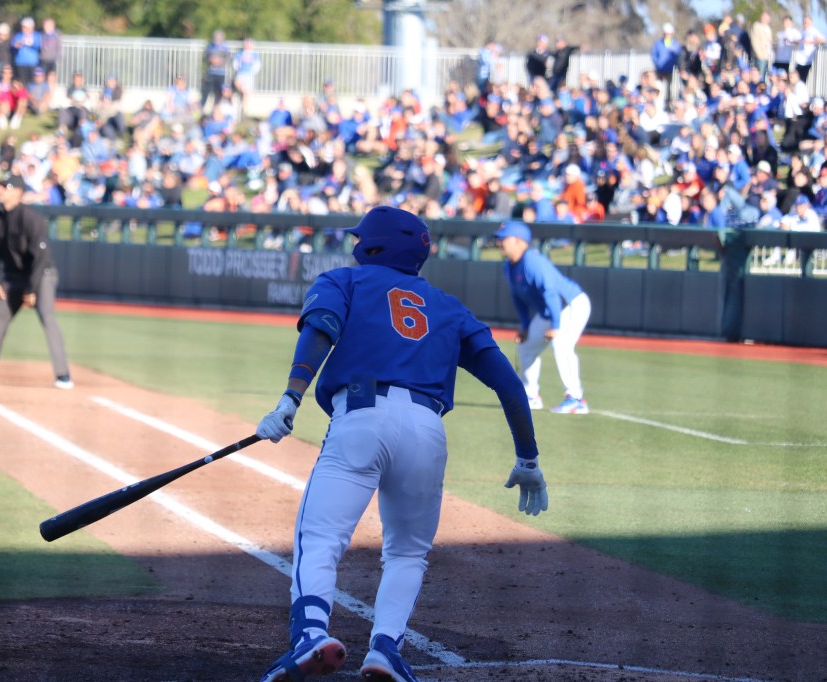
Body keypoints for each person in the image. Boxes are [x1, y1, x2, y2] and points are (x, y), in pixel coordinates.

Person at [255, 206, 547, 682]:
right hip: (426, 431)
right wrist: (528, 457)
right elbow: (509, 385)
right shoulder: (450, 306)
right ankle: (385, 648)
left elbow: (320, 329)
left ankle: (311, 635)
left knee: (321, 539)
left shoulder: (344, 281)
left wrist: (291, 397)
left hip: (361, 418)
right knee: (408, 552)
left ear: (370, 246)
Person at [0, 174, 73, 390]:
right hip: (12, 278)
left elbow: (42, 258)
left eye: (6, 187)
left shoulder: (31, 219)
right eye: (0, 186)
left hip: (42, 275)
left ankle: (63, 374)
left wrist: (31, 290)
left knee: (47, 317)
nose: (1, 190)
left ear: (18, 192)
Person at [496, 220, 590, 413]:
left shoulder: (532, 261)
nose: (499, 243)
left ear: (519, 241)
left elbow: (551, 293)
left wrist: (556, 326)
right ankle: (531, 396)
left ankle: (576, 398)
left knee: (561, 344)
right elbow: (518, 297)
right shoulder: (509, 265)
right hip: (549, 310)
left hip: (570, 304)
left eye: (503, 239)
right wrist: (524, 326)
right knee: (525, 346)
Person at [651, 23, 681, 107]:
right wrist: (658, 64)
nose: (668, 35)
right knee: (659, 87)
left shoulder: (675, 44)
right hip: (660, 70)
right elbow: (654, 55)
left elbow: (678, 56)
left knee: (670, 87)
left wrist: (677, 66)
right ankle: (658, 103)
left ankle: (668, 104)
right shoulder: (658, 43)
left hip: (671, 70)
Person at [200, 29, 229, 115]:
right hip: (211, 73)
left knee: (219, 93)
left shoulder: (225, 47)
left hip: (221, 73)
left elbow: (228, 58)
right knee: (206, 91)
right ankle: (201, 110)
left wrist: (220, 61)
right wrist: (211, 60)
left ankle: (215, 110)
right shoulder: (210, 46)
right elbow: (205, 57)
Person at [232, 36, 261, 119]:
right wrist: (238, 69)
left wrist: (252, 71)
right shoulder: (240, 53)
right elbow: (235, 63)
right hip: (241, 73)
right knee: (239, 86)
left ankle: (244, 110)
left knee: (246, 93)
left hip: (249, 75)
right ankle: (242, 96)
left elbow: (257, 65)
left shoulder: (254, 54)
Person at [793, 15, 825, 84]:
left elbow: (822, 40)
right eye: (804, 22)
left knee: (802, 79)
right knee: (795, 78)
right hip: (800, 59)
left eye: (806, 22)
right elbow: (797, 40)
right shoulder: (802, 32)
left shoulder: (813, 31)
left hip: (807, 60)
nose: (805, 24)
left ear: (810, 22)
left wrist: (811, 42)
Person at [11, 16, 41, 85]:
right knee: (22, 82)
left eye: (26, 27)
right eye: (23, 27)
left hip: (32, 63)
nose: (24, 29)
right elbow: (13, 46)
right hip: (20, 63)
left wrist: (30, 43)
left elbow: (38, 45)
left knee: (32, 83)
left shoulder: (36, 35)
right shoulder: (18, 35)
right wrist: (16, 45)